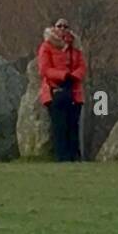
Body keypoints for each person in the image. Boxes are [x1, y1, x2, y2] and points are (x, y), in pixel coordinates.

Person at [38, 18, 87, 162]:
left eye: (65, 26)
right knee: (59, 125)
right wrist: (62, 75)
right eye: (59, 26)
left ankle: (75, 157)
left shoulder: (75, 47)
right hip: (55, 91)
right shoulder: (46, 47)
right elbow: (44, 69)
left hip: (74, 91)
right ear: (53, 28)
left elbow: (82, 67)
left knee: (73, 125)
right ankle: (62, 157)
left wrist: (73, 76)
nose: (62, 29)